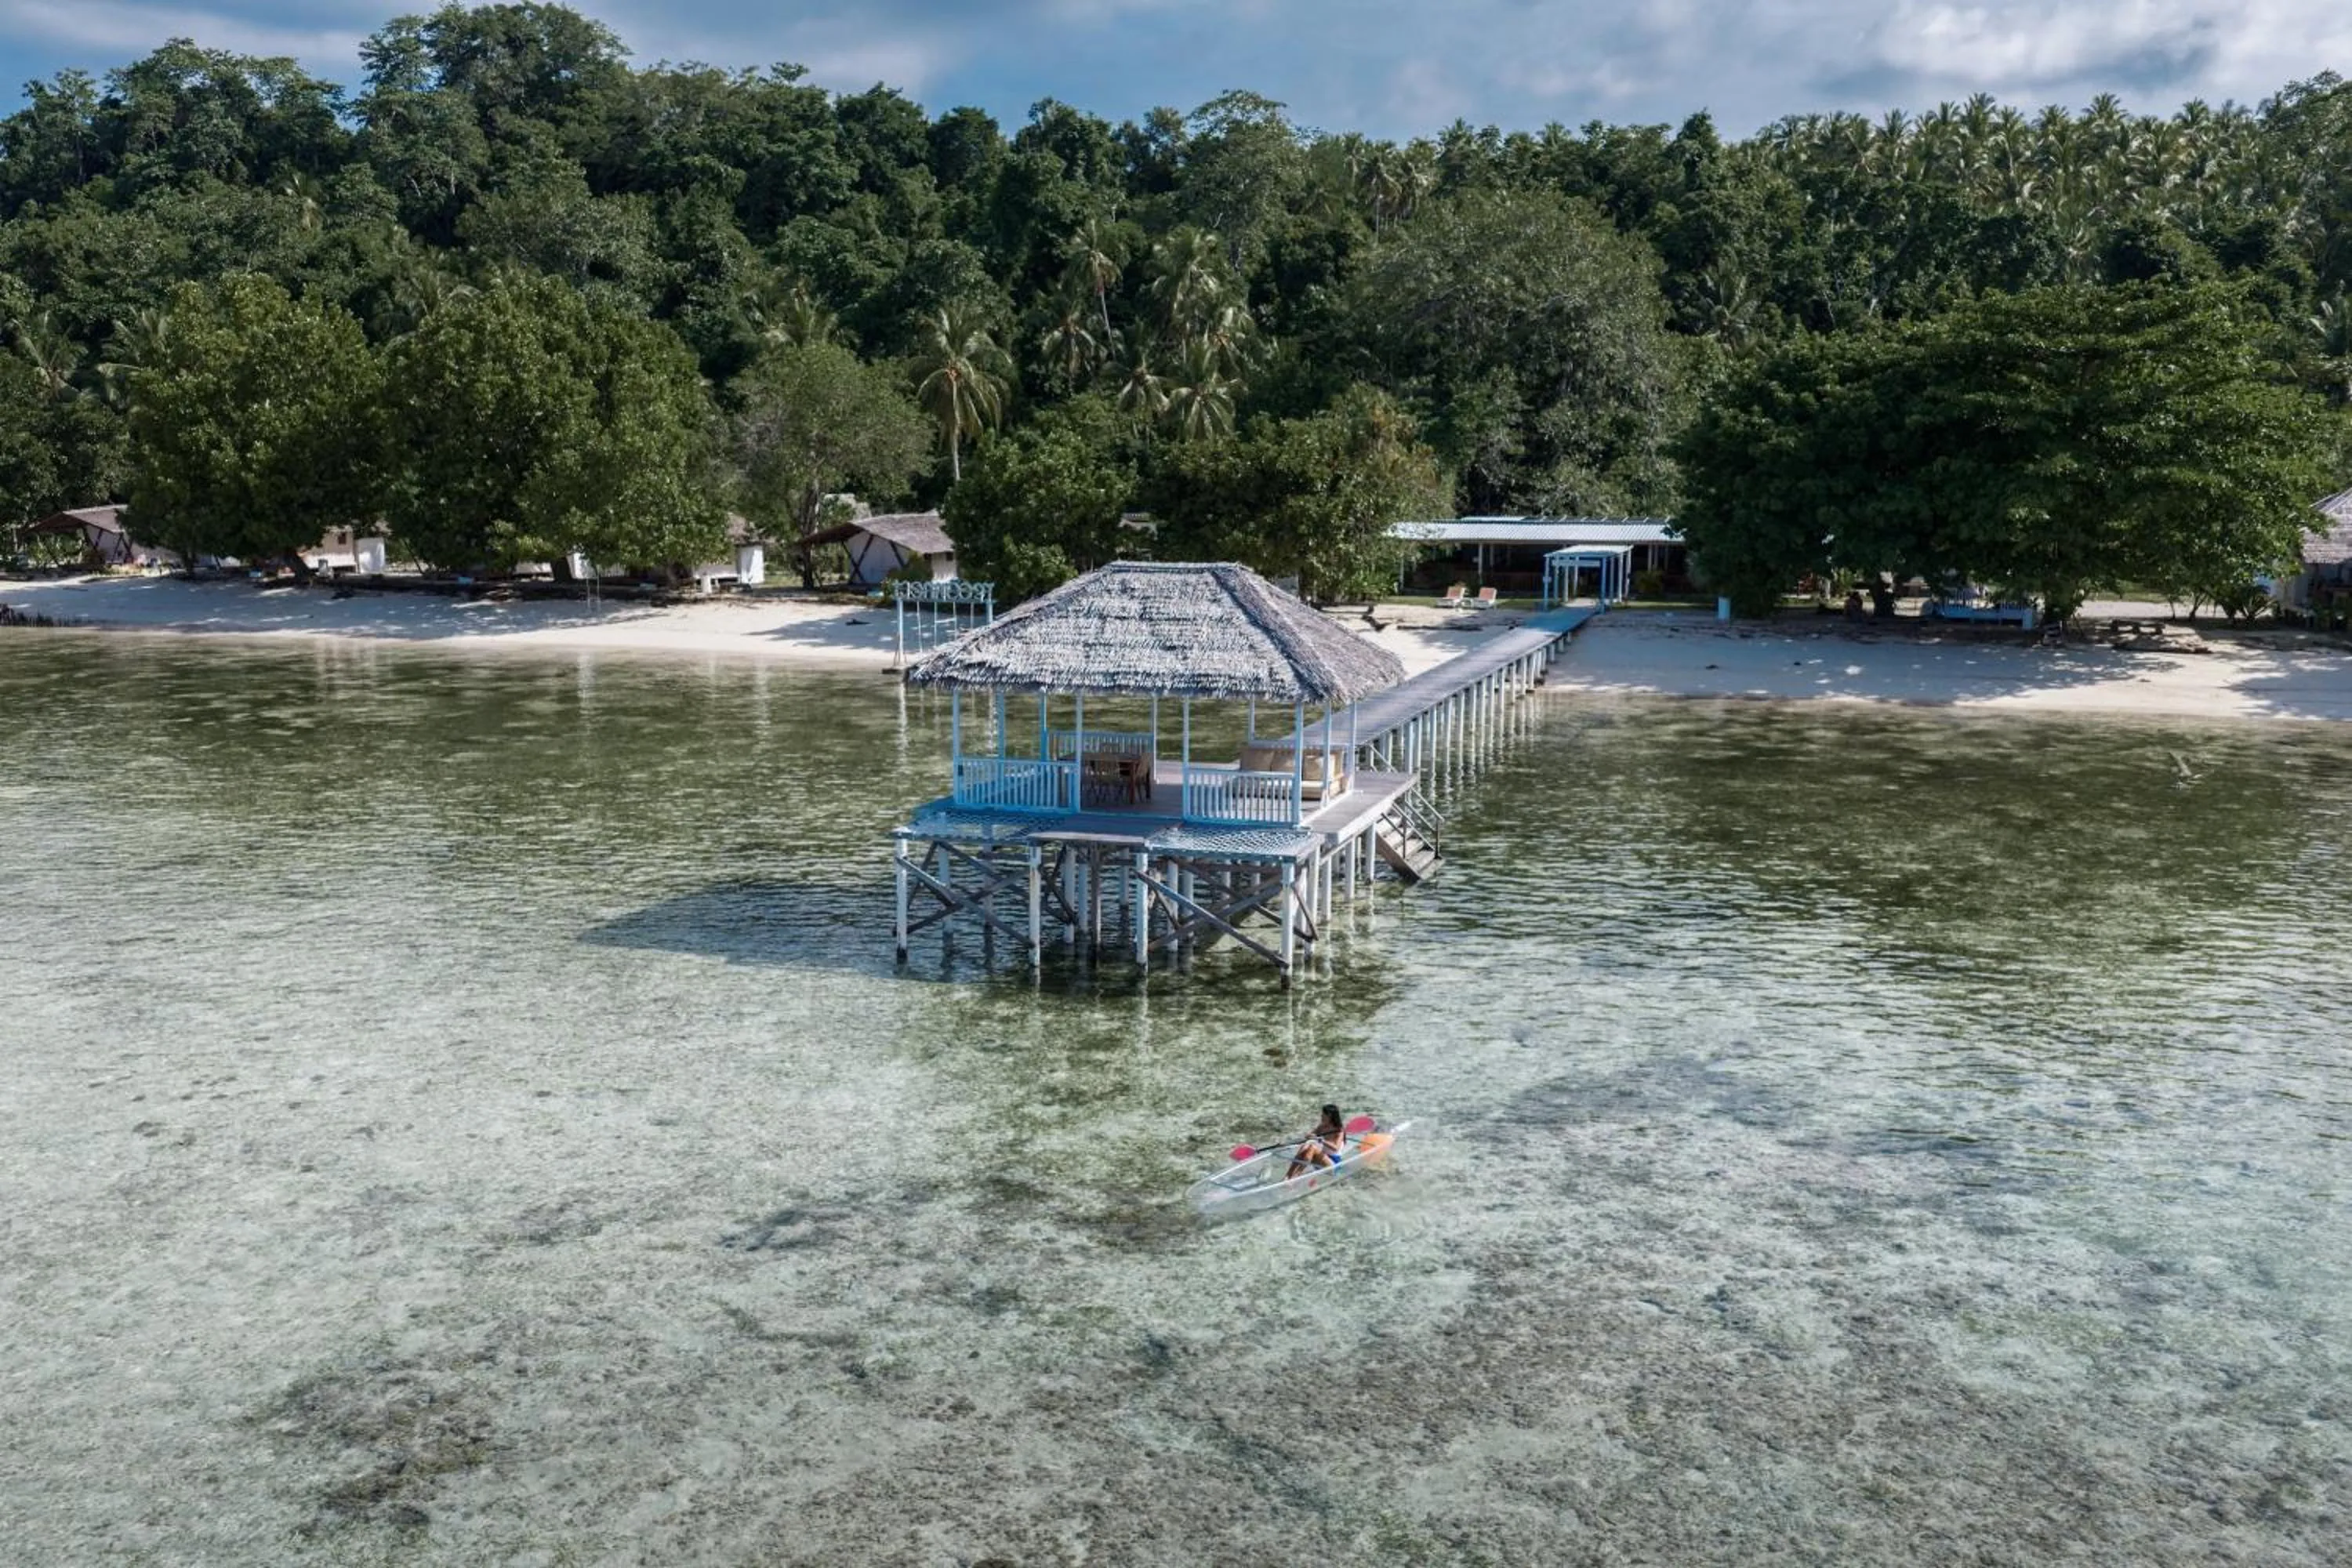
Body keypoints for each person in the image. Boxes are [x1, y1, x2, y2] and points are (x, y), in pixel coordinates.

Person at [1287, 1104, 1348, 1178]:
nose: (1321, 1116)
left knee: (1312, 1147)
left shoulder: (1339, 1130)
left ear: (1330, 1116)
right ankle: (1288, 1175)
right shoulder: (1322, 1127)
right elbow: (1310, 1135)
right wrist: (1309, 1136)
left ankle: (1296, 1176)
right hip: (1322, 1160)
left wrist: (1320, 1140)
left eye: (1324, 1114)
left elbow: (1336, 1148)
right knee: (1305, 1147)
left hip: (1334, 1164)